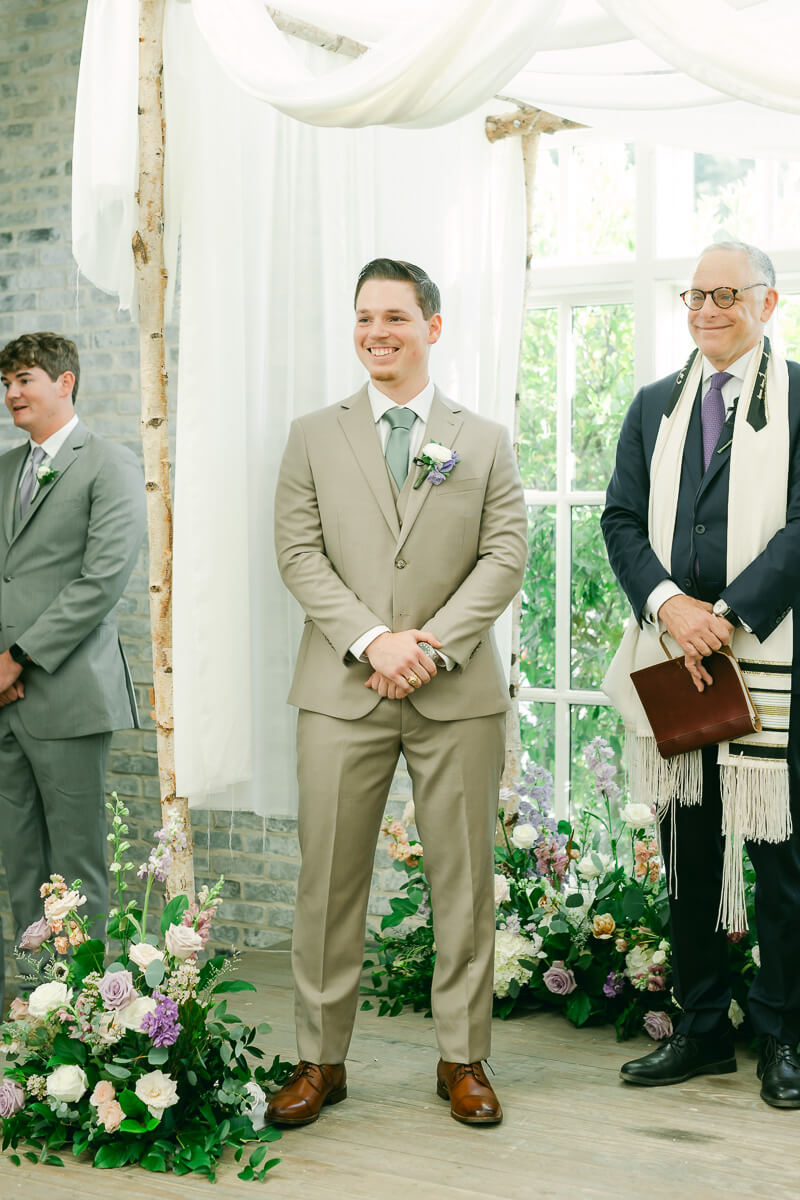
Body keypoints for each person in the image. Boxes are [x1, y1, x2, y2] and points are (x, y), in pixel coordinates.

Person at [270, 258, 527, 1127]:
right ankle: (319, 1062)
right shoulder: (312, 433)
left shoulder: (482, 437)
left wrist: (430, 647)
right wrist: (375, 641)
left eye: (395, 318)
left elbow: (505, 556)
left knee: (464, 881)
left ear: (433, 326)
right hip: (341, 688)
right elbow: (299, 553)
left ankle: (464, 1059)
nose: (377, 333)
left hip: (455, 693)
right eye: (364, 318)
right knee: (328, 882)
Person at [602, 241, 800, 1108]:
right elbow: (619, 521)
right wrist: (672, 607)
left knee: (782, 858)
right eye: (696, 294)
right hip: (674, 654)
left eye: (727, 293)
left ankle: (785, 1032)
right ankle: (701, 1027)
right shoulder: (655, 405)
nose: (708, 308)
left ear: (769, 301)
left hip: (771, 660)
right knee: (687, 849)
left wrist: (729, 615)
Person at [0, 332, 146, 1012]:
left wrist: (17, 658)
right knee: (22, 860)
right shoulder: (5, 470)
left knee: (76, 863)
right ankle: (38, 999)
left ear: (67, 382)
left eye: (25, 379)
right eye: (6, 383)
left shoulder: (110, 464)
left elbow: (100, 582)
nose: (12, 394)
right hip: (3, 696)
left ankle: (86, 1003)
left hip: (66, 692)